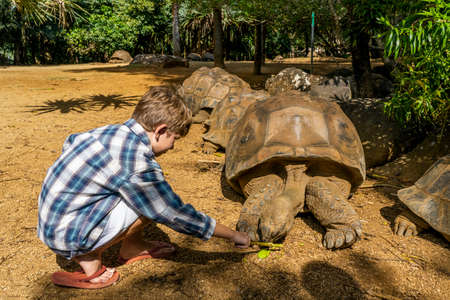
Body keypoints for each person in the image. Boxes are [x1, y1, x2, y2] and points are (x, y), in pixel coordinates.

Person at [37, 86, 250, 289]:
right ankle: (88, 258)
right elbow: (173, 212)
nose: (173, 146)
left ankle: (132, 246)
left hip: (52, 222)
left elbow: (70, 142)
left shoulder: (111, 132)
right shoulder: (136, 162)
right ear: (160, 131)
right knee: (152, 200)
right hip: (68, 235)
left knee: (140, 194)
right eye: (174, 139)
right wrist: (233, 235)